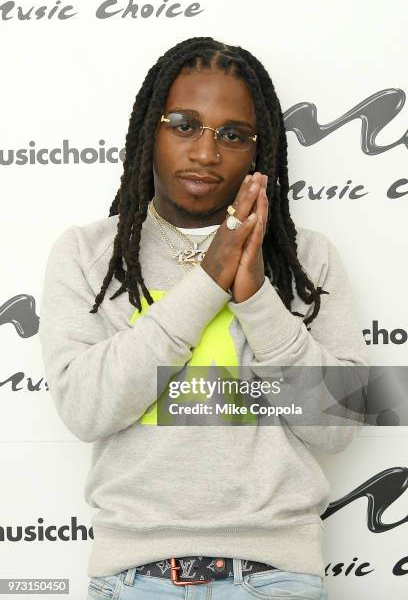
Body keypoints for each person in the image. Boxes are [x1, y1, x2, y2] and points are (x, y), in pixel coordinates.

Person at [38, 37, 369, 599]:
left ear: (259, 152)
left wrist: (257, 297)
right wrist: (208, 282)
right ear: (151, 130)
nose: (206, 152)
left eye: (233, 135)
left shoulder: (307, 259)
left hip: (277, 576)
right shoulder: (87, 254)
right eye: (184, 125)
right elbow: (84, 410)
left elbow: (338, 427)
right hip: (135, 577)